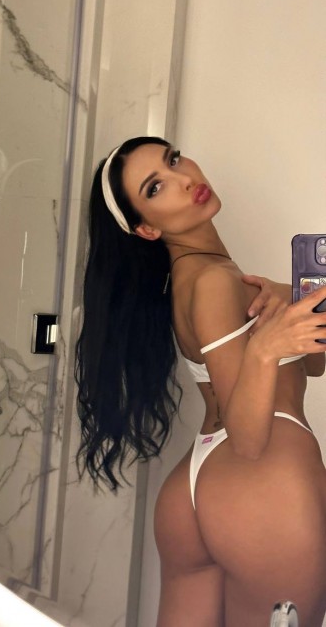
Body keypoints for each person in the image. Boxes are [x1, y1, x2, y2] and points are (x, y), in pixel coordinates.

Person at [75, 136, 326, 626]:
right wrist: (268, 347)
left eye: (173, 159)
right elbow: (248, 439)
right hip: (263, 488)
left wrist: (295, 305)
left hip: (191, 494)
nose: (184, 178)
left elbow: (313, 367)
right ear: (147, 228)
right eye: (155, 187)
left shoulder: (203, 275)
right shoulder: (212, 281)